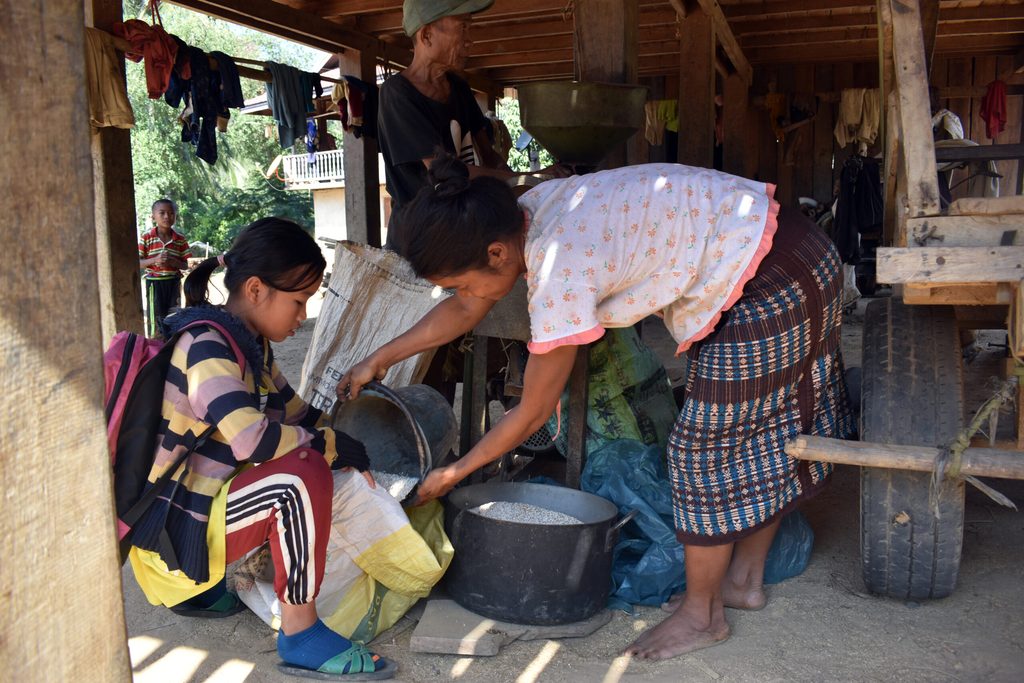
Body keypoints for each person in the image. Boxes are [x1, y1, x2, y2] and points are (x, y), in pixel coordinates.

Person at [338, 156, 855, 661]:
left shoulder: (560, 266)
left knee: (703, 452)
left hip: (771, 281)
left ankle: (703, 616)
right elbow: (469, 305)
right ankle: (742, 581)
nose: (462, 296)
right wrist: (380, 359)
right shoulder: (527, 212)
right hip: (787, 250)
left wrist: (455, 472)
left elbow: (535, 411)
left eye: (460, 282)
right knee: (760, 427)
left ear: (496, 254)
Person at [127, 218, 396, 680]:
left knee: (311, 450)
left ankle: (201, 593)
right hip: (168, 533)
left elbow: (296, 413)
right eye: (298, 301)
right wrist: (328, 446)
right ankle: (301, 632)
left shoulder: (250, 345)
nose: (302, 315)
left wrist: (345, 439)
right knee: (301, 473)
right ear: (255, 290)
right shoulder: (206, 346)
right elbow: (254, 438)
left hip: (188, 516)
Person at [379, 0, 565, 252]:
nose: (470, 41)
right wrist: (528, 178)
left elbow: (490, 158)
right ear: (426, 35)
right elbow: (444, 171)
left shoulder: (458, 87)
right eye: (462, 28)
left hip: (460, 228)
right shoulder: (397, 94)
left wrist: (532, 184)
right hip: (420, 239)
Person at [138, 198, 192, 338]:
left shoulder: (180, 239)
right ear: (153, 216)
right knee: (156, 319)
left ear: (175, 216)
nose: (167, 217)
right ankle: (156, 348)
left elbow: (187, 264)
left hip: (173, 283)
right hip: (154, 284)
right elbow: (137, 262)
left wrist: (174, 262)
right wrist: (154, 260)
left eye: (171, 213)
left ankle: (173, 347)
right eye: (162, 213)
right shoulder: (147, 237)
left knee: (175, 317)